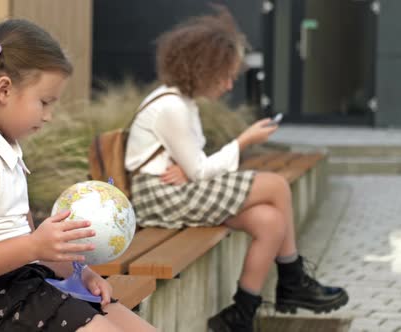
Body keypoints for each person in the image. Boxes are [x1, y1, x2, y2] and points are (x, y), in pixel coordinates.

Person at [0, 19, 156, 332]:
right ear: (4, 89)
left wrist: (80, 273)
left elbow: (22, 239)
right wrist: (33, 247)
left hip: (18, 285)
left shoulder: (6, 150)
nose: (49, 116)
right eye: (44, 102)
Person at [124, 7, 348, 332]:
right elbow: (200, 168)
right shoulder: (171, 106)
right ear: (201, 69)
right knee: (275, 186)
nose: (230, 85)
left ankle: (240, 314)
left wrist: (190, 170)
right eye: (225, 76)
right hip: (160, 197)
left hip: (175, 190)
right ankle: (293, 281)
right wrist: (244, 141)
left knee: (270, 222)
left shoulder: (182, 102)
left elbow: (194, 165)